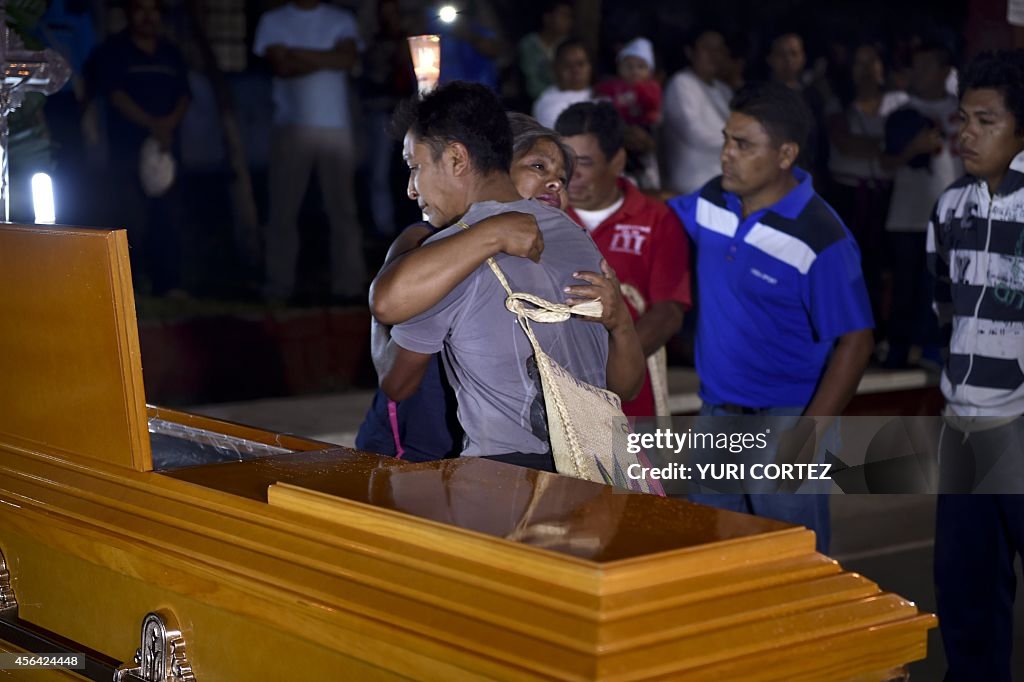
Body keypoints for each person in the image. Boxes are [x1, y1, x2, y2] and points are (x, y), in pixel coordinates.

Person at [373, 82, 644, 471]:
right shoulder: (576, 235)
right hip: (601, 465)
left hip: (512, 479)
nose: (412, 189)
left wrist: (395, 265)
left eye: (416, 167)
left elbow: (395, 380)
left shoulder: (451, 257)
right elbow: (618, 388)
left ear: (456, 158)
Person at [667, 82, 874, 553]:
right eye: (726, 139)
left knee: (790, 566)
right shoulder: (713, 201)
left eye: (743, 145)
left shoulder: (822, 236)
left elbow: (856, 341)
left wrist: (808, 437)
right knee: (714, 555)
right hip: (717, 413)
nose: (726, 155)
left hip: (786, 419)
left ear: (785, 155)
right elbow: (661, 217)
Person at [927, 49, 1024, 681]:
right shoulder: (950, 207)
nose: (966, 134)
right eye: (963, 118)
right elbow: (942, 305)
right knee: (966, 592)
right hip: (964, 429)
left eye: (985, 121)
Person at [555, 101, 690, 417]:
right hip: (556, 395)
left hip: (627, 398)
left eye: (584, 162)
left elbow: (669, 311)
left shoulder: (657, 220)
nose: (570, 175)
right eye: (564, 160)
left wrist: (608, 370)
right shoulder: (542, 217)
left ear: (617, 161)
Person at [253, 0, 365, 303]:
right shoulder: (273, 19)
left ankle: (350, 285)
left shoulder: (341, 19)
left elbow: (347, 60)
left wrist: (297, 53)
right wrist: (329, 56)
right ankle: (279, 285)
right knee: (283, 211)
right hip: (291, 126)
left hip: (335, 126)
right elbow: (281, 66)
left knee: (343, 210)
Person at [91, 0, 191, 296]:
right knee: (129, 218)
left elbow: (185, 95)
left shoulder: (171, 53)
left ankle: (168, 283)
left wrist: (167, 125)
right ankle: (127, 286)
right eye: (141, 9)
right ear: (129, 13)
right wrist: (150, 123)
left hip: (166, 150)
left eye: (154, 10)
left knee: (169, 217)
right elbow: (114, 94)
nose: (148, 17)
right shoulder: (114, 51)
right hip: (127, 151)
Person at [879, 41, 961, 368]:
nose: (919, 73)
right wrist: (912, 149)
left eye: (927, 65)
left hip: (954, 216)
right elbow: (885, 163)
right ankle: (897, 351)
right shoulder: (901, 112)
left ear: (944, 71)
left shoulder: (963, 109)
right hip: (908, 214)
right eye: (916, 66)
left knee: (943, 285)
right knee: (905, 287)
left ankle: (933, 348)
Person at [824, 42, 893, 339]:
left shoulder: (899, 102)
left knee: (880, 267)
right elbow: (845, 143)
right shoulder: (838, 104)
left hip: (885, 195)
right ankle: (845, 333)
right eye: (859, 63)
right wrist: (888, 147)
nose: (865, 70)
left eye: (871, 62)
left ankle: (876, 333)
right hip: (846, 195)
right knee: (845, 267)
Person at [661, 29, 731, 194]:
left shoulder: (725, 91)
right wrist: (741, 141)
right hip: (691, 186)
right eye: (707, 49)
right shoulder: (681, 83)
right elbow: (695, 133)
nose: (714, 55)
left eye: (719, 50)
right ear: (690, 52)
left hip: (723, 185)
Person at [594, 37, 662, 189]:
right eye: (629, 66)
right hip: (621, 131)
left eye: (640, 67)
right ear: (619, 68)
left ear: (649, 71)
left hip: (644, 129)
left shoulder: (651, 88)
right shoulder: (614, 86)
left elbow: (651, 107)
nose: (634, 71)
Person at [517, 0, 574, 101]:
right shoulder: (529, 44)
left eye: (569, 17)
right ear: (547, 18)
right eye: (563, 16)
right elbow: (532, 85)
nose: (568, 21)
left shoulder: (569, 45)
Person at [532, 38, 593, 129]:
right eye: (567, 65)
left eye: (580, 64)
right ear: (555, 68)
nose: (575, 70)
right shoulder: (547, 104)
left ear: (590, 66)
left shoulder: (604, 93)